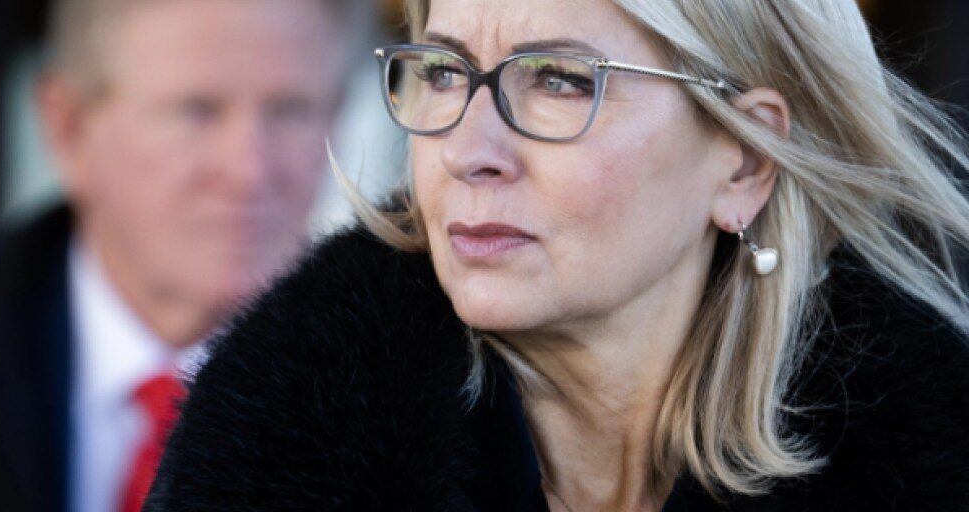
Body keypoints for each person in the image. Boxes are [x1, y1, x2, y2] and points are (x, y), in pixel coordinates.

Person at [144, 0, 969, 511]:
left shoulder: (929, 461)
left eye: (558, 80)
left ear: (745, 161)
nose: (469, 149)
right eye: (445, 72)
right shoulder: (277, 446)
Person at [0, 0, 364, 511]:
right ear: (69, 128)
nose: (248, 170)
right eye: (197, 111)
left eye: (291, 110)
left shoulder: (400, 407)